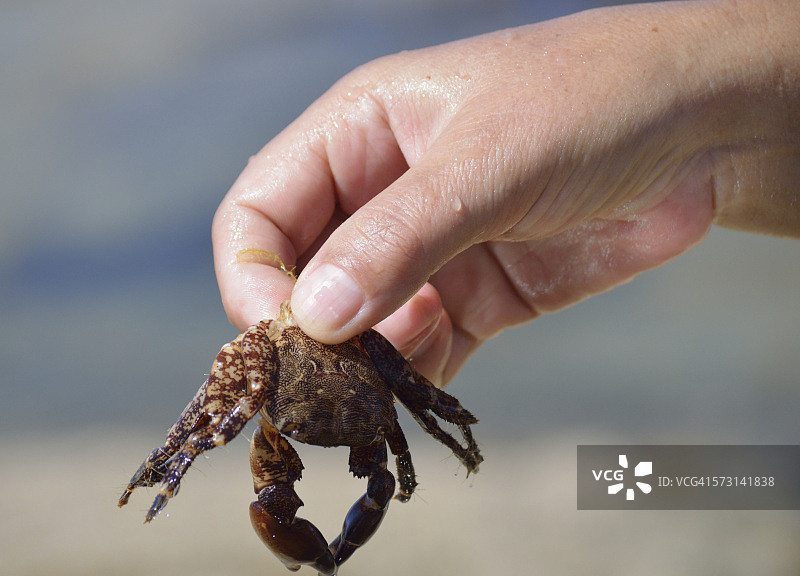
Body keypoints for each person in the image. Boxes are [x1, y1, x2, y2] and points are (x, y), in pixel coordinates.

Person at [212, 0, 799, 387]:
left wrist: (707, 127)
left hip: (362, 364)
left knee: (399, 441)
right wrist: (711, 136)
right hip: (341, 368)